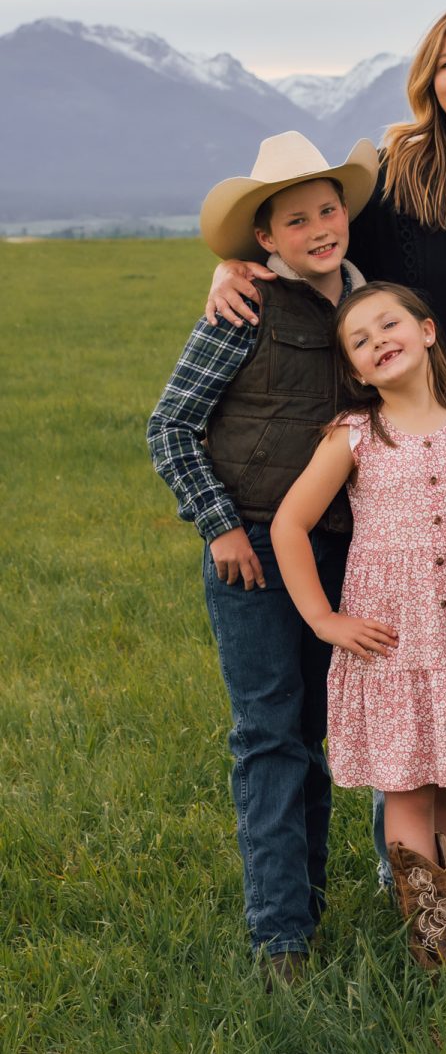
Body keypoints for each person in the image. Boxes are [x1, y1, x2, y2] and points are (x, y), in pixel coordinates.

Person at [207, 6, 446, 910]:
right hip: (404, 444)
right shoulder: (402, 176)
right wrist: (228, 271)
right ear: (429, 79)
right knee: (417, 677)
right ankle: (414, 892)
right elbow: (313, 244)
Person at [147, 130, 378, 985]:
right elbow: (169, 425)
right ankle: (281, 938)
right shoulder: (242, 309)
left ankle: (305, 905)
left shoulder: (366, 302)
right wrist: (218, 525)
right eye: (296, 220)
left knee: (314, 736)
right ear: (265, 242)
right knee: (269, 735)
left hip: (340, 553)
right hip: (249, 552)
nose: (319, 227)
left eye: (329, 210)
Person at [270, 282, 446, 971]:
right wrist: (323, 618)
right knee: (407, 785)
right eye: (361, 340)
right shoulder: (355, 436)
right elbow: (290, 523)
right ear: (354, 369)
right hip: (393, 639)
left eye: (389, 325)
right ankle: (435, 945)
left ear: (428, 331)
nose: (379, 341)